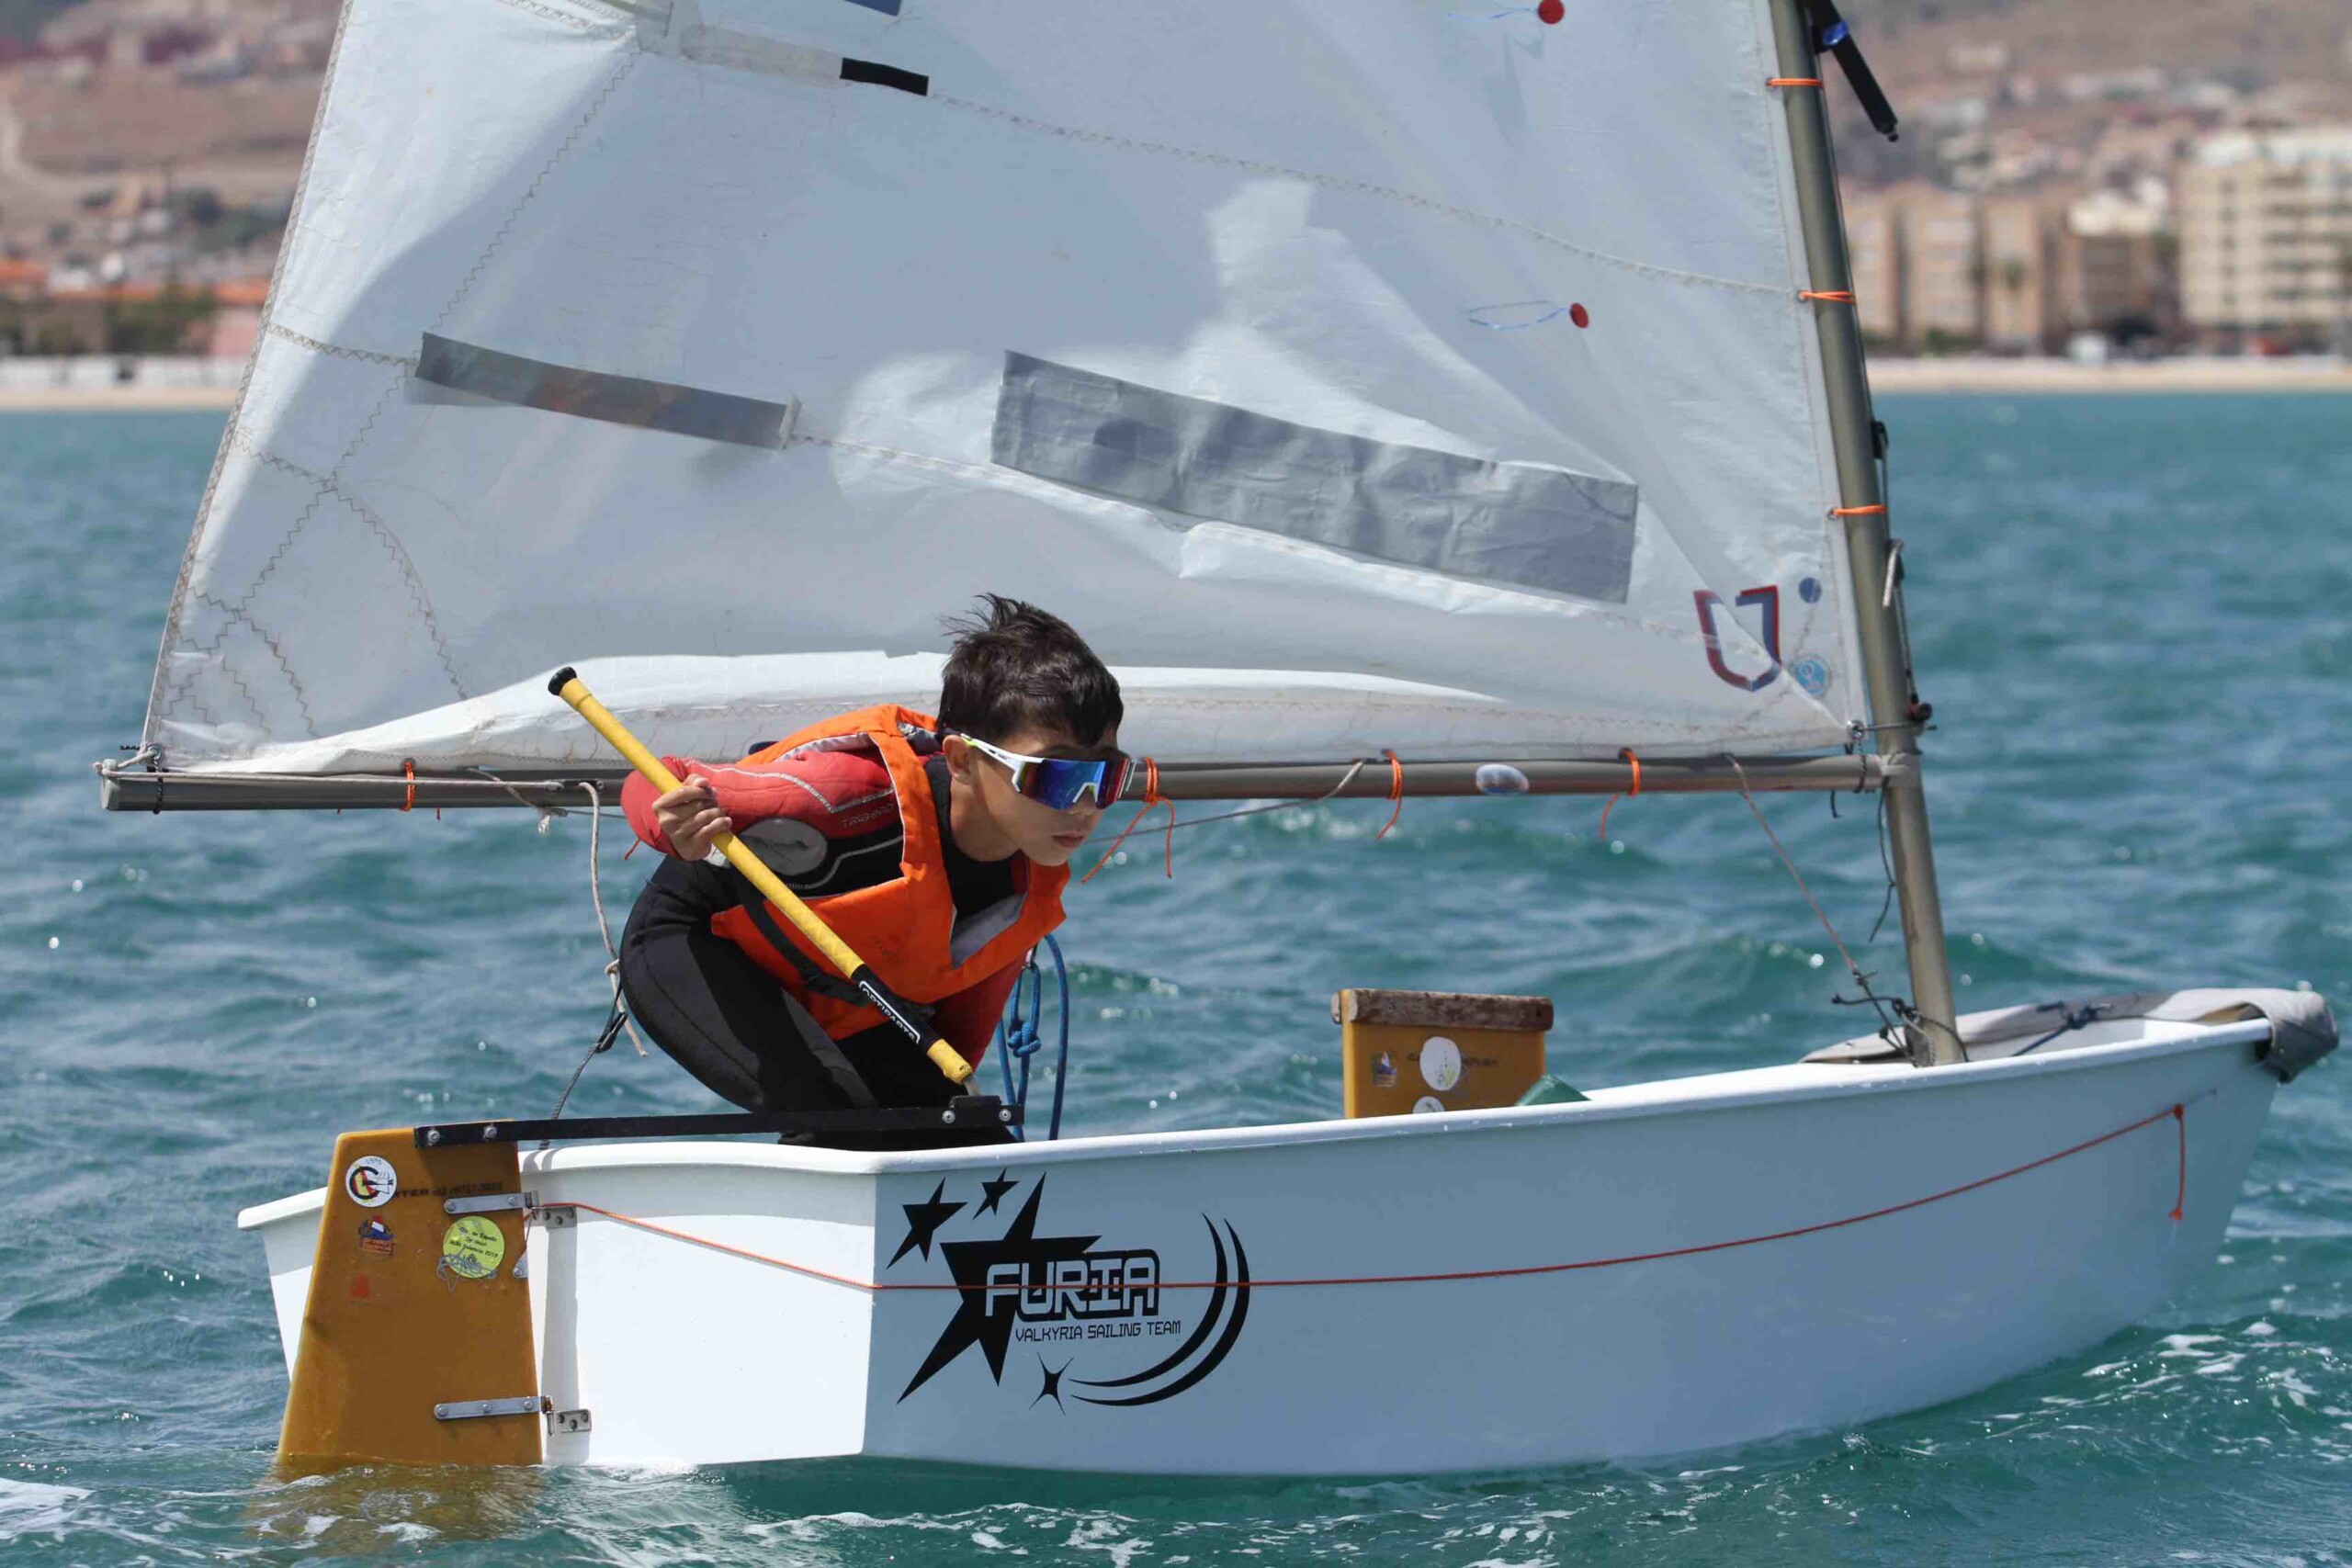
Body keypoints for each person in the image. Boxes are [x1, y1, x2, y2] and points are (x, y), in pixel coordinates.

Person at [616, 596, 1128, 1143]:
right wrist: (672, 826)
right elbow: (658, 776)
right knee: (840, 1111)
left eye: (1107, 776)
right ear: (962, 761)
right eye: (1055, 776)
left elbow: (954, 1062)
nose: (1085, 805)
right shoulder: (845, 797)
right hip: (693, 944)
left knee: (966, 1131)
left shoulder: (1021, 892)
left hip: (837, 994)